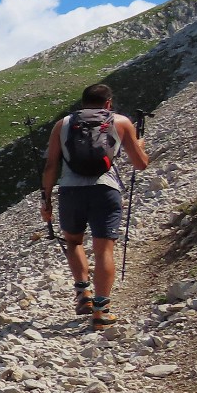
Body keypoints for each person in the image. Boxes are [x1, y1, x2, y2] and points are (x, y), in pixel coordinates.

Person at [40, 83, 149, 329]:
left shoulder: (63, 124)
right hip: (105, 190)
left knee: (74, 242)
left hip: (70, 191)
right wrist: (140, 147)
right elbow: (141, 165)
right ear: (108, 103)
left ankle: (83, 294)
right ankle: (101, 312)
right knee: (104, 251)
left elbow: (50, 167)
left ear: (82, 104)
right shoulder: (120, 122)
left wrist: (45, 201)